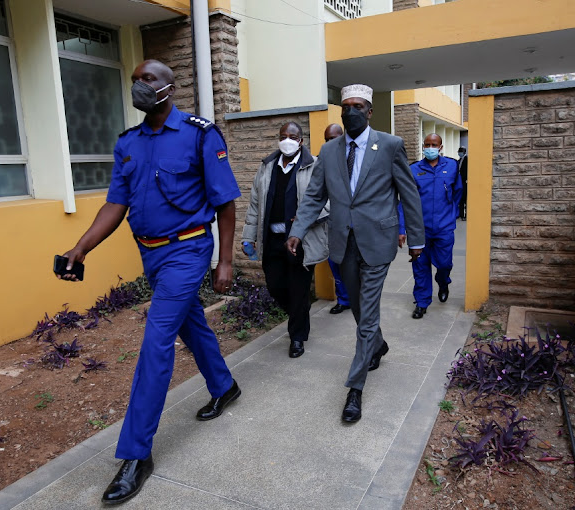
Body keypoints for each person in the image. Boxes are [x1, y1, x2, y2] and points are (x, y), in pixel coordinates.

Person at [56, 59, 241, 506]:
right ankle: (224, 386)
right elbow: (114, 205)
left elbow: (226, 203)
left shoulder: (199, 134)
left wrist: (225, 261)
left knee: (156, 340)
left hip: (189, 249)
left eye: (149, 80)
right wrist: (80, 248)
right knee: (189, 323)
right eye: (135, 80)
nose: (140, 86)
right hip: (151, 253)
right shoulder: (128, 143)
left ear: (170, 87)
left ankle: (137, 454)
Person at [286, 84, 424, 423]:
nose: (351, 112)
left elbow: (409, 193)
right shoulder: (330, 150)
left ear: (369, 111)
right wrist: (297, 230)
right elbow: (315, 196)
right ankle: (379, 344)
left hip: (378, 242)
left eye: (358, 106)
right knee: (358, 306)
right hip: (342, 243)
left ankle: (355, 389)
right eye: (346, 106)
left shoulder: (390, 146)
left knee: (369, 311)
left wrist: (417, 238)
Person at [241, 122, 328, 358]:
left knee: (298, 289)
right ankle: (300, 313)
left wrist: (305, 218)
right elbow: (255, 205)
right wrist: (248, 236)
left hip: (301, 240)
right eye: (283, 136)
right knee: (275, 286)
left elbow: (327, 202)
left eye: (292, 136)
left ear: (301, 140)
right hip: (271, 238)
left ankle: (297, 337)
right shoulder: (267, 166)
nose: (287, 140)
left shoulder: (314, 166)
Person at [399, 134, 462, 320]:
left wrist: (452, 214)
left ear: (441, 147)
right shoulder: (413, 169)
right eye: (427, 144)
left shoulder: (451, 166)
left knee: (444, 264)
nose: (430, 147)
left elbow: (458, 192)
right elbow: (405, 201)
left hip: (444, 228)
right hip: (420, 229)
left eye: (434, 145)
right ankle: (422, 302)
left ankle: (443, 283)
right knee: (420, 266)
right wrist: (402, 228)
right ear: (423, 146)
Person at [323, 123, 350, 315]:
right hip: (330, 223)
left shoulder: (354, 159)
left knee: (354, 266)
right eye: (327, 140)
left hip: (353, 224)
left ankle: (358, 298)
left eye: (334, 139)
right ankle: (343, 299)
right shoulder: (321, 161)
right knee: (335, 263)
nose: (331, 143)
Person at [457, 146, 468, 221]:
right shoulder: (459, 160)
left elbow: (465, 171)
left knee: (464, 199)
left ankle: (464, 215)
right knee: (461, 200)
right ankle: (461, 215)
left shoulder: (466, 159)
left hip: (464, 182)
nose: (459, 153)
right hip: (460, 182)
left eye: (460, 151)